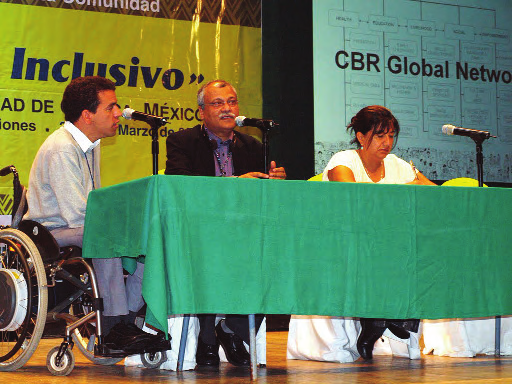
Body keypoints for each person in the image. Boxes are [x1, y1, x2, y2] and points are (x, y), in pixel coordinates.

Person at [24, 76, 166, 355]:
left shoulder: (91, 145)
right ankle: (112, 326)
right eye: (110, 107)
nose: (118, 114)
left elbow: (94, 203)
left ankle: (124, 322)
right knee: (107, 238)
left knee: (152, 242)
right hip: (52, 231)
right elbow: (77, 213)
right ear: (87, 115)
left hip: (79, 226)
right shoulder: (62, 148)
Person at [288, 105, 435, 363]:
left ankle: (381, 321)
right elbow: (356, 203)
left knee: (415, 255)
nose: (387, 142)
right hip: (342, 245)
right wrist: (404, 193)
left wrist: (414, 187)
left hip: (385, 246)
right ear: (361, 136)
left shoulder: (397, 165)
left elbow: (432, 193)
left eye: (391, 136)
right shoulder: (343, 161)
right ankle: (379, 320)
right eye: (380, 136)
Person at [165, 79, 286, 368]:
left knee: (273, 253)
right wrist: (233, 184)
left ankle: (230, 328)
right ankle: (209, 334)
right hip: (198, 228)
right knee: (213, 253)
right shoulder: (181, 142)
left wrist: (276, 183)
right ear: (201, 112)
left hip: (242, 230)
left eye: (232, 102)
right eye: (218, 103)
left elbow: (262, 198)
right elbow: (180, 186)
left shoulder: (253, 145)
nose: (227, 108)